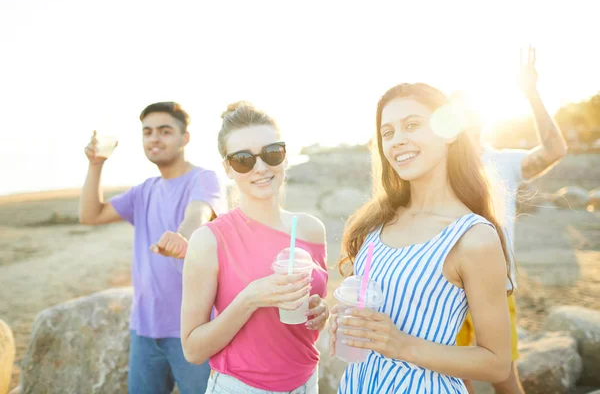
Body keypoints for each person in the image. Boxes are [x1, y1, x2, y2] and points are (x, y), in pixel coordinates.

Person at [328, 83, 513, 393]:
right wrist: (344, 323)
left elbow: (496, 362)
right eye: (387, 133)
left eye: (412, 125)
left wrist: (400, 344)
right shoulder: (377, 222)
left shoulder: (473, 237)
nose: (398, 140)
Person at [175, 102, 330, 393]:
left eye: (271, 153)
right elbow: (192, 350)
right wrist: (250, 299)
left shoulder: (310, 230)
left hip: (308, 381)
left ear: (284, 157)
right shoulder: (209, 240)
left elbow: (306, 318)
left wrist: (321, 311)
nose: (260, 167)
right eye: (243, 159)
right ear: (228, 168)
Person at [79, 101, 227, 394]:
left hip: (194, 329)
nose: (154, 138)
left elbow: (199, 213)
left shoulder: (204, 178)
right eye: (147, 132)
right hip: (144, 330)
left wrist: (182, 236)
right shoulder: (144, 190)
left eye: (164, 131)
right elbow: (89, 215)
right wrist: (96, 164)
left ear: (185, 138)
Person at [453, 47, 568, 394]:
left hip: (496, 288)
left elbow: (554, 151)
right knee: (456, 380)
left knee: (505, 379)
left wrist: (531, 94)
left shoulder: (503, 163)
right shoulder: (435, 169)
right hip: (444, 289)